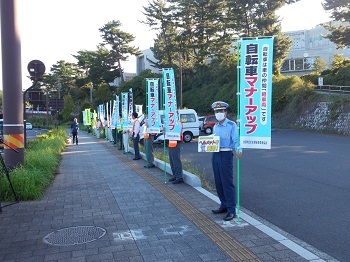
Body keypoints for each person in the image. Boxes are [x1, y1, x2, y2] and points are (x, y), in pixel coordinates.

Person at [210, 101, 242, 221]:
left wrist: (239, 150)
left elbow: (236, 140)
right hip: (216, 154)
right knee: (218, 182)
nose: (219, 113)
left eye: (221, 111)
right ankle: (223, 204)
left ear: (225, 112)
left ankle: (231, 210)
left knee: (227, 182)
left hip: (226, 154)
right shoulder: (215, 126)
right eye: (217, 111)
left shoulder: (232, 125)